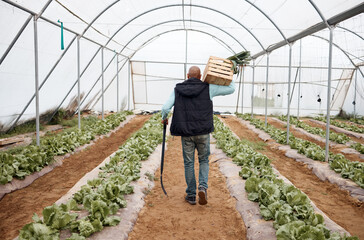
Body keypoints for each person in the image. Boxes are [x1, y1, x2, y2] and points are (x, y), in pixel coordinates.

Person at [161, 66, 235, 205]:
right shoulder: (208, 88)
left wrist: (164, 117)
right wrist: (231, 72)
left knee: (189, 163)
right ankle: (202, 187)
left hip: (186, 133)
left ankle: (191, 195)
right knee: (203, 160)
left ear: (187, 76)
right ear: (201, 76)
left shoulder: (178, 89)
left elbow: (165, 108)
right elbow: (231, 89)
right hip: (203, 132)